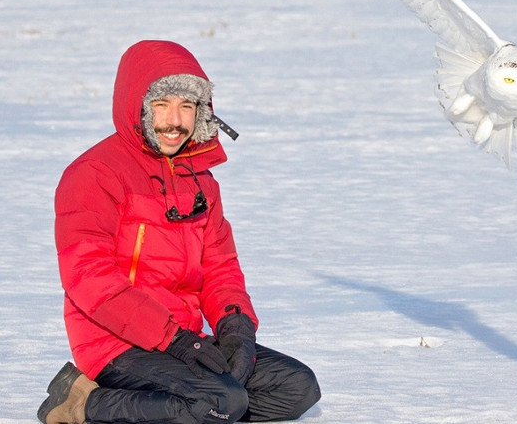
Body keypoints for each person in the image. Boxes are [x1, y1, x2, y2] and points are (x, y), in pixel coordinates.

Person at [37, 40, 321, 424]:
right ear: (137, 108)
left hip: (185, 339)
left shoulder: (201, 182)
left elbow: (221, 267)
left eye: (187, 107)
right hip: (117, 342)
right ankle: (83, 403)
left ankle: (195, 410)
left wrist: (235, 327)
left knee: (296, 388)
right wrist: (174, 339)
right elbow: (89, 280)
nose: (175, 121)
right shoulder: (94, 175)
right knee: (222, 402)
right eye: (162, 105)